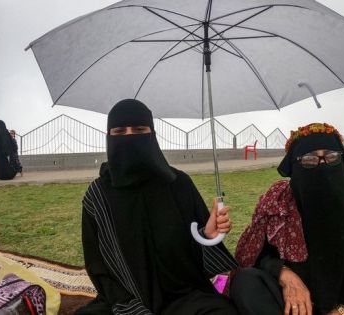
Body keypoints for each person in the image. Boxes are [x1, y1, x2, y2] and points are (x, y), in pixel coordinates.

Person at [76, 99, 238, 315]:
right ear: (109, 137)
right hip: (125, 301)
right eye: (120, 131)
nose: (130, 137)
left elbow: (197, 260)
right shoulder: (97, 196)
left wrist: (206, 236)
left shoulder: (178, 184)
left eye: (139, 129)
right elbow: (99, 268)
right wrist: (131, 308)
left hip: (183, 296)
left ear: (152, 134)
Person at [230, 123, 344, 315]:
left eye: (331, 157)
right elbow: (260, 255)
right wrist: (284, 274)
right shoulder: (281, 204)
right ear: (294, 165)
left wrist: (343, 311)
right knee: (245, 281)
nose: (322, 165)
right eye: (309, 160)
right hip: (292, 305)